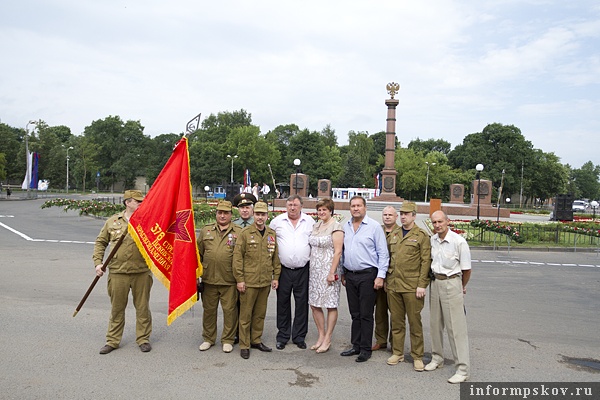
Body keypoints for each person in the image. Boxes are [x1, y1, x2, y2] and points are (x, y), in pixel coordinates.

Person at [92, 190, 152, 354]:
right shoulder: (112, 221)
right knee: (117, 309)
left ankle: (143, 338)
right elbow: (100, 242)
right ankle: (112, 341)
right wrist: (98, 263)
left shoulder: (147, 221)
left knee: (142, 308)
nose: (141, 204)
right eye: (137, 201)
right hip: (118, 272)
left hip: (141, 272)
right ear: (128, 202)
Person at [340, 196, 389, 362]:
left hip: (368, 275)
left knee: (366, 313)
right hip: (350, 275)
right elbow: (343, 251)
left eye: (359, 206)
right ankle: (356, 345)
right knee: (355, 313)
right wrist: (343, 272)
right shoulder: (345, 226)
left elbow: (383, 253)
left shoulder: (374, 227)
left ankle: (365, 348)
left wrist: (380, 276)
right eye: (353, 206)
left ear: (365, 208)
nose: (355, 209)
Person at [425, 210, 472, 384]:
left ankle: (462, 368)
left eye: (440, 222)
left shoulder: (459, 242)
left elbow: (467, 270)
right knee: (435, 324)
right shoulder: (433, 240)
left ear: (447, 221)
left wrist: (461, 286)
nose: (437, 225)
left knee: (455, 328)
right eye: (434, 222)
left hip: (452, 283)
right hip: (435, 282)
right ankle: (437, 358)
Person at [385, 202, 431, 372]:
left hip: (412, 286)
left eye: (407, 213)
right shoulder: (394, 233)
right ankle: (397, 352)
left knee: (414, 323)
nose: (403, 216)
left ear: (414, 215)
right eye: (401, 213)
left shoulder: (421, 235)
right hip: (394, 285)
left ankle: (417, 356)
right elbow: (387, 257)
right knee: (396, 322)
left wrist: (421, 285)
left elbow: (426, 261)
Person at [233, 201, 281, 359]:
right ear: (254, 215)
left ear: (267, 216)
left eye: (263, 214)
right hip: (249, 281)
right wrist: (240, 279)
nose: (260, 218)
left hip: (265, 281)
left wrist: (276, 277)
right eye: (258, 214)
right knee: (245, 315)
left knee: (260, 314)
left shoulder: (271, 234)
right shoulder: (245, 233)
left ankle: (256, 340)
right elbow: (238, 258)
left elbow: (275, 257)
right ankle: (244, 344)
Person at [269, 194, 315, 350]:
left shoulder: (310, 222)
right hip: (283, 270)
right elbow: (270, 243)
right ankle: (282, 336)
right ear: (286, 206)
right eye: (290, 205)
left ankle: (299, 336)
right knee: (283, 303)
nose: (293, 208)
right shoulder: (277, 222)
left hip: (303, 269)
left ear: (301, 206)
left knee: (302, 303)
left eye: (295, 205)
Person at [197, 200, 242, 353]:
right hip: (209, 279)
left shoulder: (239, 232)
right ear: (216, 213)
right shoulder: (206, 231)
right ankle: (208, 338)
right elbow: (198, 255)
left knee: (230, 311)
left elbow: (242, 257)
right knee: (209, 311)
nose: (222, 216)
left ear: (231, 214)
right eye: (219, 213)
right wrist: (197, 276)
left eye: (226, 213)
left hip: (229, 279)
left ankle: (228, 339)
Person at [308, 198, 343, 353]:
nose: (321, 212)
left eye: (325, 210)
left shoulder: (336, 227)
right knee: (314, 303)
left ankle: (328, 338)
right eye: (319, 210)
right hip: (315, 271)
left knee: (330, 304)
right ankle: (321, 335)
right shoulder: (316, 225)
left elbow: (338, 251)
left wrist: (332, 272)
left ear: (331, 211)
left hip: (329, 271)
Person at [373, 206, 400, 351]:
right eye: (385, 214)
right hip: (378, 276)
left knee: (396, 314)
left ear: (396, 217)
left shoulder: (401, 232)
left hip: (395, 278)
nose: (387, 217)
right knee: (380, 312)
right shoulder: (377, 230)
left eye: (390, 215)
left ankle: (396, 343)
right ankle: (381, 340)